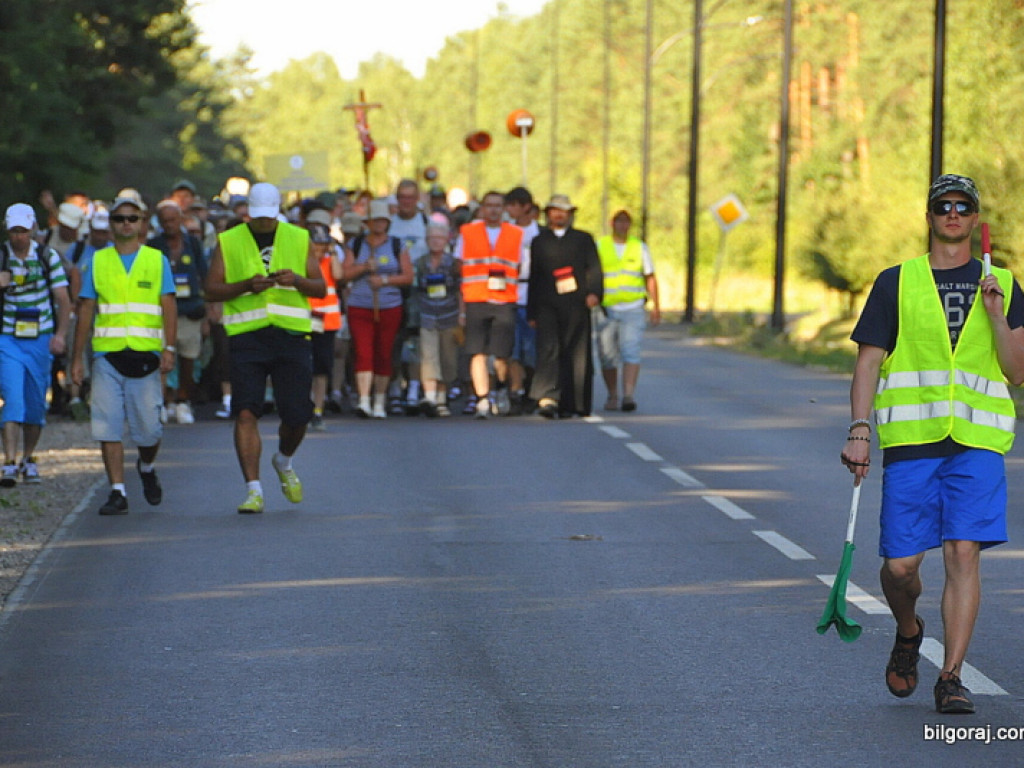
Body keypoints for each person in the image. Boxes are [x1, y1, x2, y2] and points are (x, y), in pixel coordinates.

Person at [841, 174, 1024, 715]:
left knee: (963, 553)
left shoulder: (1008, 286)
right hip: (913, 441)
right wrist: (859, 428)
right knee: (900, 568)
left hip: (978, 443)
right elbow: (869, 360)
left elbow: (1016, 373)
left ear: (974, 218)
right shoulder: (896, 281)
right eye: (942, 206)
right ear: (928, 216)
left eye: (962, 206)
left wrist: (995, 314)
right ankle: (908, 629)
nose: (952, 214)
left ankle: (951, 676)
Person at [203, 182, 325, 514]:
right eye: (258, 217)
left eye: (269, 217)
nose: (264, 223)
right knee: (245, 411)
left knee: (297, 415)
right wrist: (245, 285)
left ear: (278, 212)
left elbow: (322, 287)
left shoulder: (299, 237)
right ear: (248, 212)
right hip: (247, 336)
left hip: (291, 336)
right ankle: (253, 490)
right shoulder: (229, 241)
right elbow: (211, 290)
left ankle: (283, 461)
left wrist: (297, 280)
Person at [71, 194, 177, 515]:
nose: (125, 224)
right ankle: (117, 491)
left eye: (132, 218)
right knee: (108, 426)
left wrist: (168, 348)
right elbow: (86, 307)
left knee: (150, 430)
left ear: (143, 222)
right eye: (119, 219)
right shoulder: (99, 261)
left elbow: (168, 305)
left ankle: (146, 466)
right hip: (107, 354)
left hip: (145, 356)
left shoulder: (156, 260)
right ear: (111, 224)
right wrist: (78, 358)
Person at [0, 204, 72, 486]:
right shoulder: (2, 256)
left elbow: (63, 299)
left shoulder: (47, 256)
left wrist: (60, 335)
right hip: (7, 338)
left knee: (35, 404)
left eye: (23, 231)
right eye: (14, 231)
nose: (19, 237)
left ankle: (28, 457)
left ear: (32, 229)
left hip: (40, 338)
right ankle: (8, 461)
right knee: (12, 399)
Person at [527, 194, 602, 418]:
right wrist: (532, 311)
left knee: (576, 353)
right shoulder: (539, 241)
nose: (559, 214)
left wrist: (594, 293)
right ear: (548, 213)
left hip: (577, 304)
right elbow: (535, 277)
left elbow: (595, 269)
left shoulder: (583, 239)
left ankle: (575, 403)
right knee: (548, 350)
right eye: (555, 210)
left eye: (564, 211)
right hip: (547, 305)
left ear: (570, 214)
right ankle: (548, 398)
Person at [342, 198, 413, 418]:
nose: (378, 225)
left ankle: (380, 401)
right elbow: (344, 275)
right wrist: (363, 267)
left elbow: (408, 276)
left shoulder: (397, 245)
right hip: (360, 306)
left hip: (389, 306)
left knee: (384, 353)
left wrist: (384, 281)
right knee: (363, 352)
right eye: (374, 221)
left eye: (382, 221)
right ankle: (364, 399)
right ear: (367, 223)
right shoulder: (355, 245)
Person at [455, 190, 522, 419]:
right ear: (482, 208)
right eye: (489, 205)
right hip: (476, 297)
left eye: (497, 205)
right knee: (477, 352)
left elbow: (521, 265)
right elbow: (459, 265)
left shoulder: (516, 234)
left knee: (501, 354)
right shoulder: (468, 232)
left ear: (503, 208)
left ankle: (501, 388)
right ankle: (483, 399)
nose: (493, 210)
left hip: (503, 299)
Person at [594, 209, 661, 412]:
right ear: (611, 223)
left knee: (630, 351)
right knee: (607, 354)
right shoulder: (601, 246)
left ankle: (628, 395)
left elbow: (650, 277)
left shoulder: (639, 248)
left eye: (626, 222)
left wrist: (656, 306)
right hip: (606, 309)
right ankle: (612, 394)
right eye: (619, 222)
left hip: (633, 308)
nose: (622, 225)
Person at [148, 200, 207, 425]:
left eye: (173, 220)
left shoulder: (193, 244)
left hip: (190, 311)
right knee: (162, 358)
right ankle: (163, 402)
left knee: (189, 358)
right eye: (165, 221)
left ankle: (183, 401)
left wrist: (208, 308)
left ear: (181, 220)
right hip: (163, 311)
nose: (170, 225)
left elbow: (204, 273)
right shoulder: (154, 245)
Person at [415, 220, 462, 416]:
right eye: (432, 238)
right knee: (428, 356)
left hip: (449, 315)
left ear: (447, 240)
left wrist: (462, 314)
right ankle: (430, 397)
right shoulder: (420, 263)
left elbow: (461, 291)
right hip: (426, 315)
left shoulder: (454, 264)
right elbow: (415, 290)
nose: (436, 242)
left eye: (439, 238)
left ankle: (442, 399)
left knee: (447, 358)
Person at [306, 209, 343, 431]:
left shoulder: (329, 262)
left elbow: (338, 276)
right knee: (303, 367)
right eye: (315, 246)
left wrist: (334, 252)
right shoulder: (300, 262)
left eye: (322, 246)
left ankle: (318, 410)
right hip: (303, 320)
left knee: (321, 369)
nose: (319, 251)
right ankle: (304, 406)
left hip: (326, 323)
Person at [505, 186, 541, 414]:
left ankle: (532, 389)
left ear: (525, 207)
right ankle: (516, 391)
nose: (508, 210)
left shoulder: (541, 234)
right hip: (510, 293)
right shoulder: (507, 232)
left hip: (533, 295)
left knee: (532, 349)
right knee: (512, 349)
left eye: (512, 206)